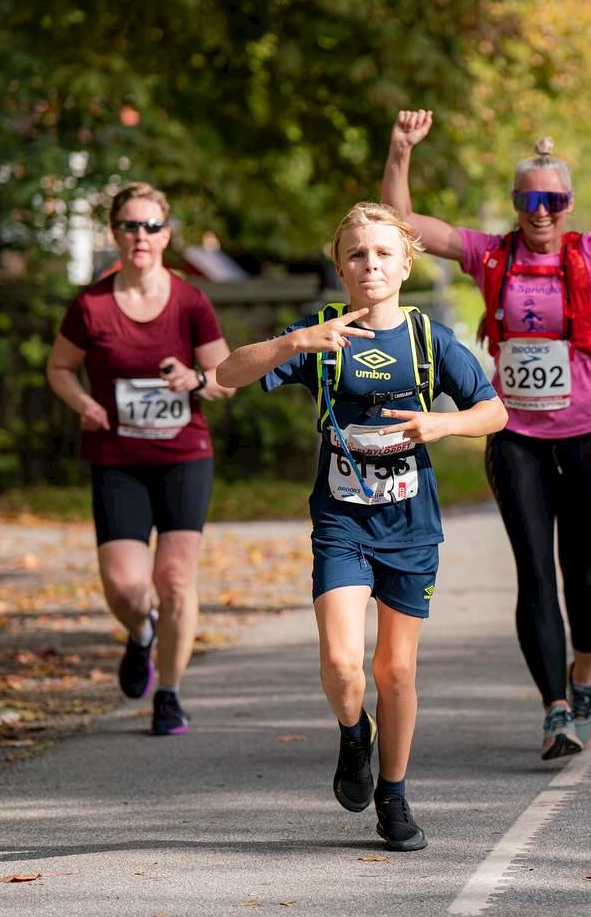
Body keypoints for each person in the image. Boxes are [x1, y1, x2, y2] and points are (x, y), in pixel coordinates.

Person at [382, 97, 591, 759]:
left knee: (582, 570)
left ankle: (585, 675)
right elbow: (403, 223)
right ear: (516, 203)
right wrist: (402, 149)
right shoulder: (490, 255)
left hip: (587, 438)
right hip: (517, 440)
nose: (542, 212)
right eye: (530, 201)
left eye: (553, 201)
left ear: (569, 203)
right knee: (533, 573)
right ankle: (555, 708)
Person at [215, 202, 507, 852]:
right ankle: (355, 735)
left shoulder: (429, 339)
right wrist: (293, 344)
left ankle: (394, 797)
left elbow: (493, 412)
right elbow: (227, 375)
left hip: (410, 521)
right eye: (356, 254)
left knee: (395, 671)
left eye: (381, 253)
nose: (369, 264)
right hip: (342, 517)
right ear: (340, 267)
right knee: (344, 662)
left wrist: (443, 424)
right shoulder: (321, 332)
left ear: (406, 263)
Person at [46, 182, 235, 737]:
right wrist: (83, 402)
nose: (141, 237)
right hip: (118, 458)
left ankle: (170, 693)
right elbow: (58, 368)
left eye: (151, 226)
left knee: (175, 580)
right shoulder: (91, 305)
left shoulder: (190, 302)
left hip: (183, 456)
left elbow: (227, 376)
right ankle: (141, 633)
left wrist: (196, 379)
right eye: (130, 226)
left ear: (167, 235)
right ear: (115, 234)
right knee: (126, 588)